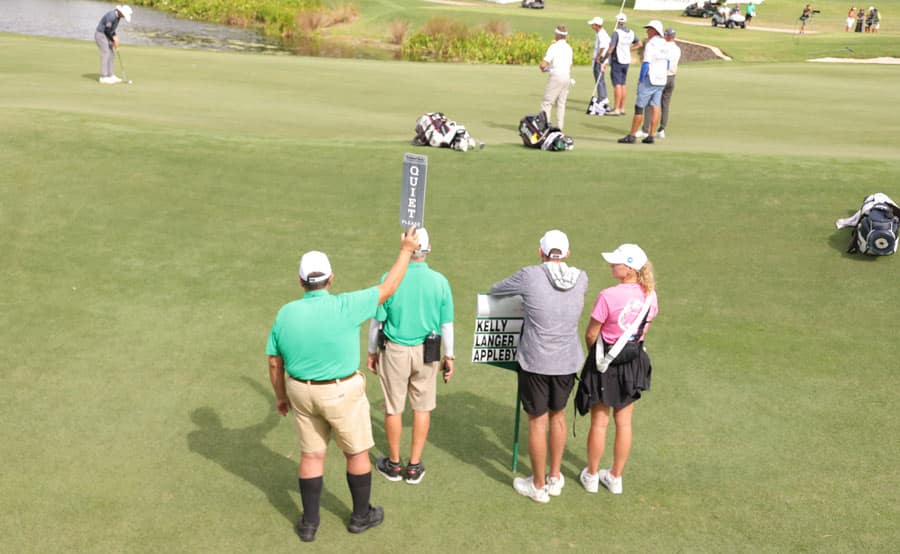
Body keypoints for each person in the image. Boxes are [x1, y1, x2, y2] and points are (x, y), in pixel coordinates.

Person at [266, 227, 420, 543]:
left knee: (311, 456)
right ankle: (361, 517)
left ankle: (309, 524)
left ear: (300, 281)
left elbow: (274, 362)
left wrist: (281, 397)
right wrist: (406, 249)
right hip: (341, 392)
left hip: (301, 392)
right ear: (331, 278)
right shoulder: (346, 305)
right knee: (357, 452)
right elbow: (389, 287)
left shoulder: (286, 314)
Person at [490, 230, 588, 503]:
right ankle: (555, 477)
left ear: (541, 251)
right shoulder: (582, 278)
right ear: (566, 253)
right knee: (558, 416)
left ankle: (537, 484)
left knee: (537, 421)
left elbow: (496, 291)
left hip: (535, 361)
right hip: (567, 361)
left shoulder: (529, 275)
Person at [367, 228, 455, 486]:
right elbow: (446, 324)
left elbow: (376, 321)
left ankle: (394, 465)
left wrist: (371, 351)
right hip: (427, 351)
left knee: (394, 408)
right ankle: (414, 467)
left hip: (394, 351)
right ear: (428, 249)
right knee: (422, 407)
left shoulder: (390, 277)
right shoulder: (440, 282)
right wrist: (449, 356)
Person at [579, 244, 658, 496]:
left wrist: (597, 357)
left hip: (605, 363)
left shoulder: (608, 295)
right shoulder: (651, 296)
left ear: (630, 268)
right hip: (633, 362)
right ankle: (615, 477)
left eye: (617, 262)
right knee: (624, 423)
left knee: (599, 423)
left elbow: (591, 333)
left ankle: (591, 475)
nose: (612, 265)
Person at [618, 20, 670, 145]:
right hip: (661, 80)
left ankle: (632, 135)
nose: (647, 31)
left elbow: (646, 63)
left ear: (654, 31)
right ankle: (651, 135)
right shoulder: (665, 43)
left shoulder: (651, 44)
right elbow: (667, 63)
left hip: (649, 79)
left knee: (639, 107)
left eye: (649, 29)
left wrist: (641, 79)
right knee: (655, 107)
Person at [637, 27, 680, 140]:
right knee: (665, 104)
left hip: (661, 77)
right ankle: (661, 129)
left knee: (651, 104)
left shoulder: (663, 46)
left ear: (666, 36)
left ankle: (645, 130)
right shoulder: (677, 48)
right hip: (672, 77)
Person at [600, 13, 641, 117]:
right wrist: (629, 49)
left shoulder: (616, 33)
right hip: (626, 61)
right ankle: (622, 108)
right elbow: (639, 44)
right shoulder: (631, 32)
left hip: (617, 60)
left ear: (618, 22)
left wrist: (603, 59)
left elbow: (611, 48)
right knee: (623, 84)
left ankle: (617, 109)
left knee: (617, 85)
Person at [539, 25, 574, 131]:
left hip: (556, 76)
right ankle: (559, 128)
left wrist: (544, 68)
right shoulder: (569, 48)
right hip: (567, 77)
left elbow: (543, 65)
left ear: (558, 35)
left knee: (547, 102)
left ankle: (544, 128)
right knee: (561, 104)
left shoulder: (553, 47)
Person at [95, 5, 132, 84]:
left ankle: (110, 75)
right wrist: (113, 40)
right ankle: (103, 77)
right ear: (121, 12)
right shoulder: (111, 15)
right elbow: (106, 30)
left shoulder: (118, 17)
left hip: (107, 35)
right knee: (106, 53)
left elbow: (112, 30)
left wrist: (115, 37)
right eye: (124, 15)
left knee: (111, 54)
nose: (124, 17)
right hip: (100, 35)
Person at [587, 17, 611, 109]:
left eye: (593, 24)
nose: (591, 26)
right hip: (601, 59)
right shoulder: (600, 33)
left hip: (600, 60)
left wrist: (598, 57)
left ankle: (602, 98)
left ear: (597, 25)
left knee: (599, 79)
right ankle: (603, 97)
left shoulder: (601, 34)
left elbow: (603, 47)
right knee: (600, 79)